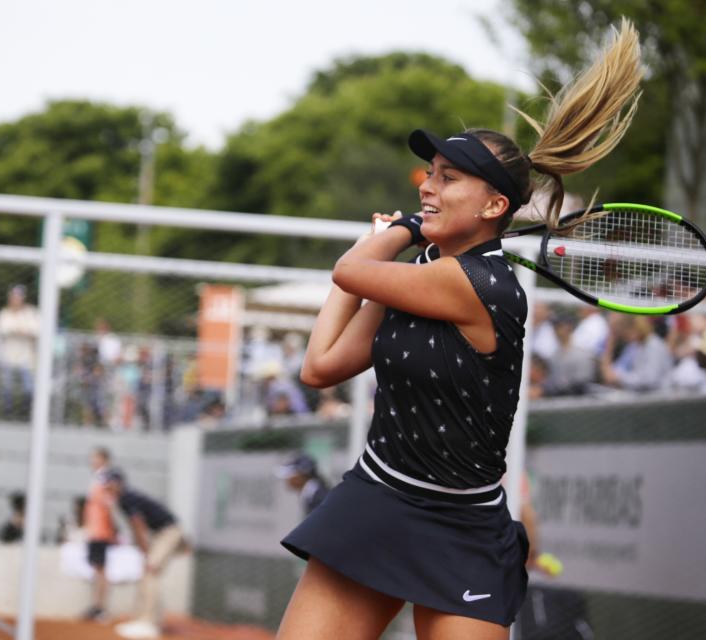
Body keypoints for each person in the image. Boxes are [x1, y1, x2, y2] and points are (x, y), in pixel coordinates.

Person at [277, 20, 643, 640]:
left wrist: (395, 233)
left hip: (464, 526)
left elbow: (350, 269)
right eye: (430, 173)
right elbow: (322, 366)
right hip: (379, 498)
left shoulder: (477, 283)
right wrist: (386, 251)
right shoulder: (424, 273)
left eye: (449, 178)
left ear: (495, 206)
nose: (428, 186)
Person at [103, 469, 188, 640]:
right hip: (162, 533)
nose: (107, 487)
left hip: (167, 532)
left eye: (109, 483)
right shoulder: (124, 498)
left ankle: (150, 623)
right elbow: (137, 526)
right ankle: (142, 619)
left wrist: (145, 549)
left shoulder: (127, 498)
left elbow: (138, 524)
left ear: (118, 483)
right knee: (147, 573)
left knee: (150, 571)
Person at [83, 447, 117, 621]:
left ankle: (101, 608)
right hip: (95, 530)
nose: (92, 461)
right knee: (98, 569)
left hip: (101, 531)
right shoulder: (98, 477)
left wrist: (112, 528)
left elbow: (109, 504)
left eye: (95, 458)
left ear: (104, 460)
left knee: (101, 570)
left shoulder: (105, 478)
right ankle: (96, 606)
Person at [0, 285, 39, 419]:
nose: (16, 300)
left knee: (28, 389)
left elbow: (36, 331)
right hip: (8, 357)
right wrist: (19, 330)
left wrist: (18, 331)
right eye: (14, 297)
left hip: (26, 358)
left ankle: (24, 416)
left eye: (19, 297)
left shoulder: (30, 313)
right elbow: (0, 330)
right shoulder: (4, 313)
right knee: (7, 389)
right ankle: (7, 416)